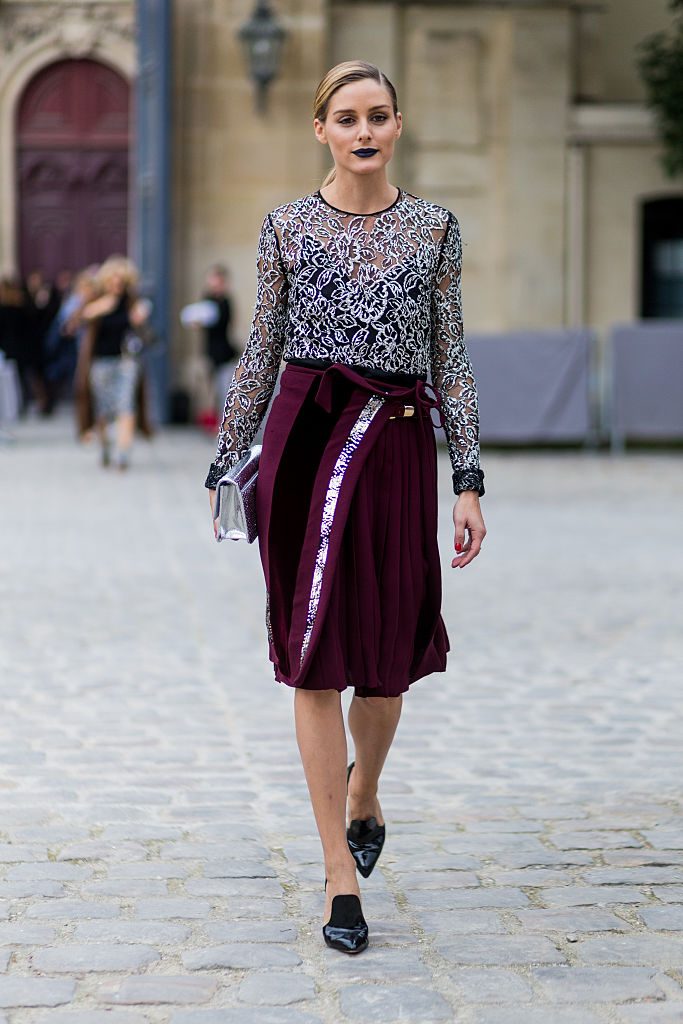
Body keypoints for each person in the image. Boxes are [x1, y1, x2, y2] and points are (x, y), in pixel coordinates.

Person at [204, 60, 487, 954]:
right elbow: (261, 350)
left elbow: (452, 358)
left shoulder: (435, 229)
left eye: (377, 116)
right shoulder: (284, 227)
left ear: (397, 126)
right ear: (319, 130)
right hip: (303, 441)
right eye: (345, 118)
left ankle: (365, 793)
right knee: (313, 659)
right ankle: (336, 873)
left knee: (386, 668)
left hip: (396, 443)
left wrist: (467, 479)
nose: (362, 131)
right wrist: (225, 462)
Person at [78, 256, 152, 469]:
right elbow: (79, 318)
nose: (117, 284)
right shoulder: (96, 299)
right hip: (100, 362)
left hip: (125, 361)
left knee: (125, 405)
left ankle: (123, 454)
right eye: (113, 279)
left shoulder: (131, 302)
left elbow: (143, 327)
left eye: (121, 280)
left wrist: (140, 318)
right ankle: (106, 446)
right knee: (102, 409)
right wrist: (101, 307)